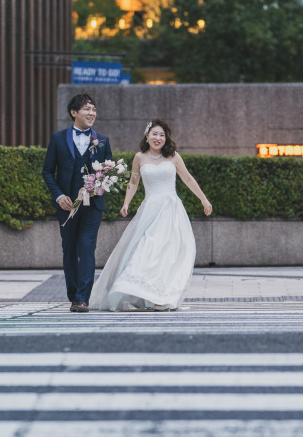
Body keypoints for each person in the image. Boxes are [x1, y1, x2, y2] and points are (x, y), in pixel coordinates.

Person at [89, 118, 212, 312]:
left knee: (167, 253)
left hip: (170, 210)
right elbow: (134, 182)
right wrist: (126, 202)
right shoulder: (139, 157)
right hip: (150, 210)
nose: (158, 138)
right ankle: (141, 290)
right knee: (147, 248)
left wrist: (203, 199)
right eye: (155, 134)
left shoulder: (173, 157)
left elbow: (187, 178)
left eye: (162, 135)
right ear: (147, 136)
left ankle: (161, 295)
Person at [42, 93, 112, 313]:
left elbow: (108, 172)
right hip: (67, 206)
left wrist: (100, 185)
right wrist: (58, 195)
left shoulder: (102, 141)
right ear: (74, 112)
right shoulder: (58, 138)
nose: (92, 113)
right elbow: (47, 172)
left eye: (93, 109)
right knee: (70, 249)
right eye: (86, 109)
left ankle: (83, 298)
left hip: (93, 207)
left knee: (87, 247)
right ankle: (73, 295)